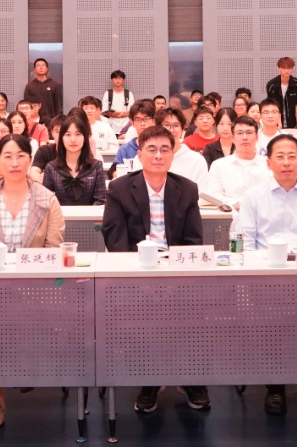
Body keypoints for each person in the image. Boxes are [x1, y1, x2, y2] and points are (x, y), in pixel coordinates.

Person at [101, 125, 208, 414]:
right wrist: (143, 276)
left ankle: (190, 378)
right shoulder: (120, 188)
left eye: (164, 149)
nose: (158, 155)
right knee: (144, 314)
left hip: (176, 273)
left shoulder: (187, 188)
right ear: (139, 154)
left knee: (193, 310)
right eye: (151, 149)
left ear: (173, 154)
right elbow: (115, 238)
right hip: (136, 273)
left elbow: (193, 240)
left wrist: (173, 276)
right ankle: (150, 378)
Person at [237, 135, 297, 416]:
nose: (286, 162)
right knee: (270, 327)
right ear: (268, 162)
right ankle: (275, 386)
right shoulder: (254, 197)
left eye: (292, 156)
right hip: (266, 281)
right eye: (279, 156)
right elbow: (246, 244)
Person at [0, 134, 66, 427]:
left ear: (29, 159)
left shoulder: (47, 200)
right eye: (8, 156)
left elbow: (54, 250)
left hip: (37, 287)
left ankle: (26, 367)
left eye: (21, 156)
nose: (15, 163)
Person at [201, 116, 269, 209]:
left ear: (257, 137)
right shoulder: (219, 166)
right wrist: (235, 203)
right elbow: (214, 195)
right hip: (229, 214)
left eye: (249, 133)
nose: (244, 137)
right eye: (240, 133)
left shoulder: (269, 165)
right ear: (233, 138)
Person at [41, 114, 108, 206]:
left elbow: (101, 201)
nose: (73, 139)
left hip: (91, 215)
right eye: (68, 134)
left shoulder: (96, 166)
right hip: (59, 215)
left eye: (78, 134)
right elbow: (46, 202)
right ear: (62, 138)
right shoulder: (51, 168)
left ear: (85, 138)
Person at [158, 109, 209, 183]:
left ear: (182, 130)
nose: (171, 130)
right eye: (167, 125)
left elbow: (202, 189)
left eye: (175, 125)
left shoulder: (197, 161)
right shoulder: (147, 157)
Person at [112, 100, 157, 175]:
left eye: (146, 119)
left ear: (153, 121)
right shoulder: (125, 149)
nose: (142, 123)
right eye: (138, 120)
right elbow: (112, 172)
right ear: (132, 123)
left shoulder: (162, 147)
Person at [265, 56, 297, 130]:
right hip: (277, 122)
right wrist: (279, 123)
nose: (286, 71)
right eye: (283, 68)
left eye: (289, 68)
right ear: (278, 68)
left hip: (292, 121)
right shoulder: (272, 85)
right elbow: (274, 106)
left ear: (292, 68)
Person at [23, 58, 63, 128]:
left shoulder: (54, 85)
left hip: (51, 119)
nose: (41, 67)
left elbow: (58, 104)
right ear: (35, 70)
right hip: (34, 119)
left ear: (47, 69)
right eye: (38, 65)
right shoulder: (30, 86)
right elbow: (26, 104)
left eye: (43, 65)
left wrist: (57, 120)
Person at [77, 95, 119, 161]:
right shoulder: (77, 127)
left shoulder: (105, 127)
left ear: (96, 110)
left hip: (103, 159)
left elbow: (114, 147)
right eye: (86, 108)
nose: (89, 111)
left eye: (92, 108)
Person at [103, 70, 135, 135]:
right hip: (111, 125)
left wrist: (117, 114)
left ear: (123, 80)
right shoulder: (107, 93)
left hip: (126, 125)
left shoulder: (129, 93)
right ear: (111, 80)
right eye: (115, 78)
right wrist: (118, 115)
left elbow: (132, 110)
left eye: (120, 78)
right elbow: (104, 111)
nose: (118, 80)